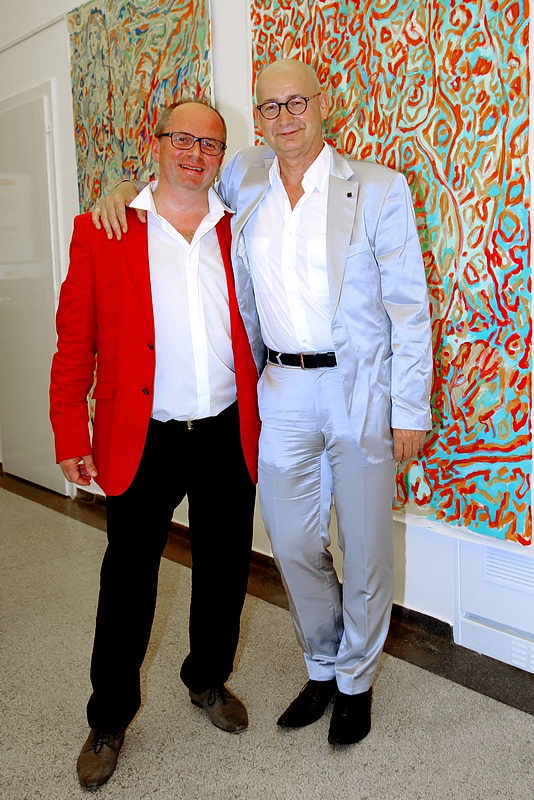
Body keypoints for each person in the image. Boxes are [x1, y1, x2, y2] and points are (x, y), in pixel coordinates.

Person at [93, 59, 433, 747]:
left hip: (359, 390)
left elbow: (409, 308)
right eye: (271, 106)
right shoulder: (244, 177)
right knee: (294, 543)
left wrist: (409, 409)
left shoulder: (378, 188)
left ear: (323, 104)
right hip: (279, 387)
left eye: (296, 102)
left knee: (365, 546)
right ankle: (323, 664)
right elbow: (178, 174)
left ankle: (355, 682)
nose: (285, 117)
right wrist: (122, 187)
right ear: (259, 117)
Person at [50, 101, 261, 791]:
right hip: (144, 434)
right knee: (128, 581)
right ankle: (109, 716)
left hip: (227, 429)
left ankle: (206, 678)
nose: (195, 154)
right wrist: (69, 432)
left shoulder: (240, 226)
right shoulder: (103, 229)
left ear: (221, 156)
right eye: (183, 139)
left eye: (211, 144)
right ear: (158, 142)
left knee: (225, 568)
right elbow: (74, 344)